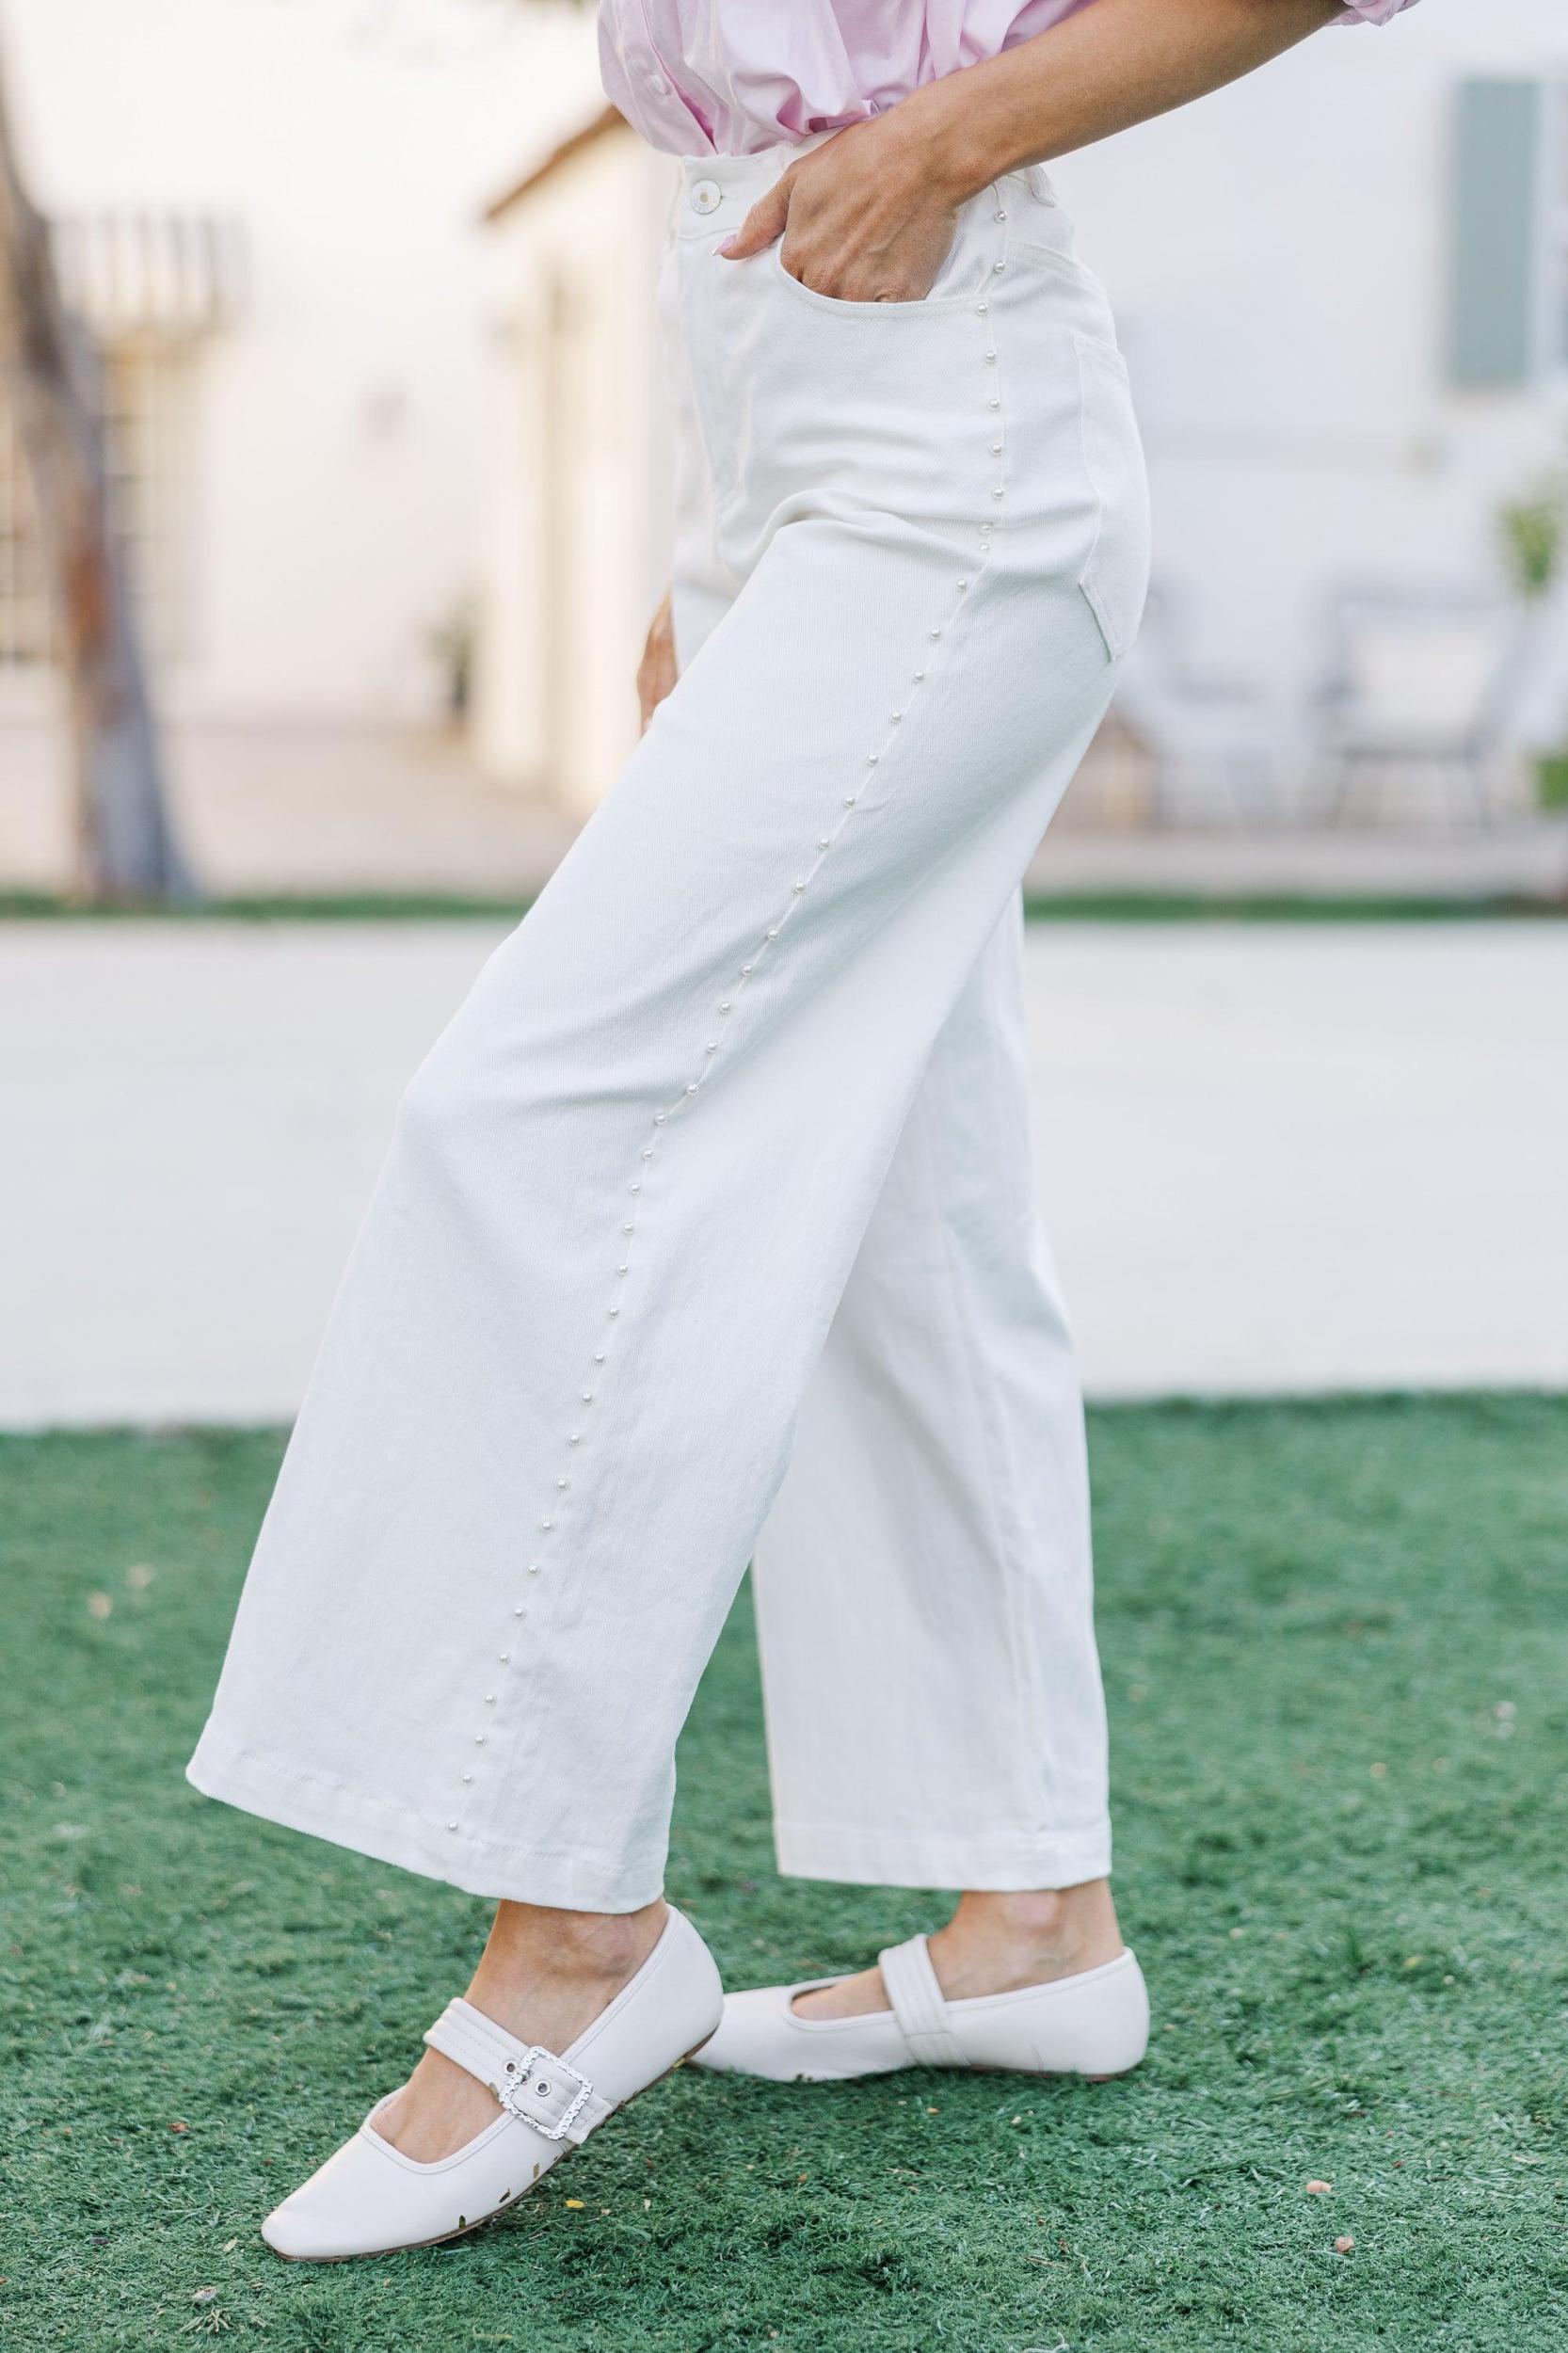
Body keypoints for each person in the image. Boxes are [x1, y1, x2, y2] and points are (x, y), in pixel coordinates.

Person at [187, 0, 1419, 2263]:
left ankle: (575, 1927)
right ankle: (1029, 1909)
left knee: (536, 1115)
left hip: (954, 411)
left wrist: (944, 140)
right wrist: (718, 532)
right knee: (907, 1201)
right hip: (774, 397)